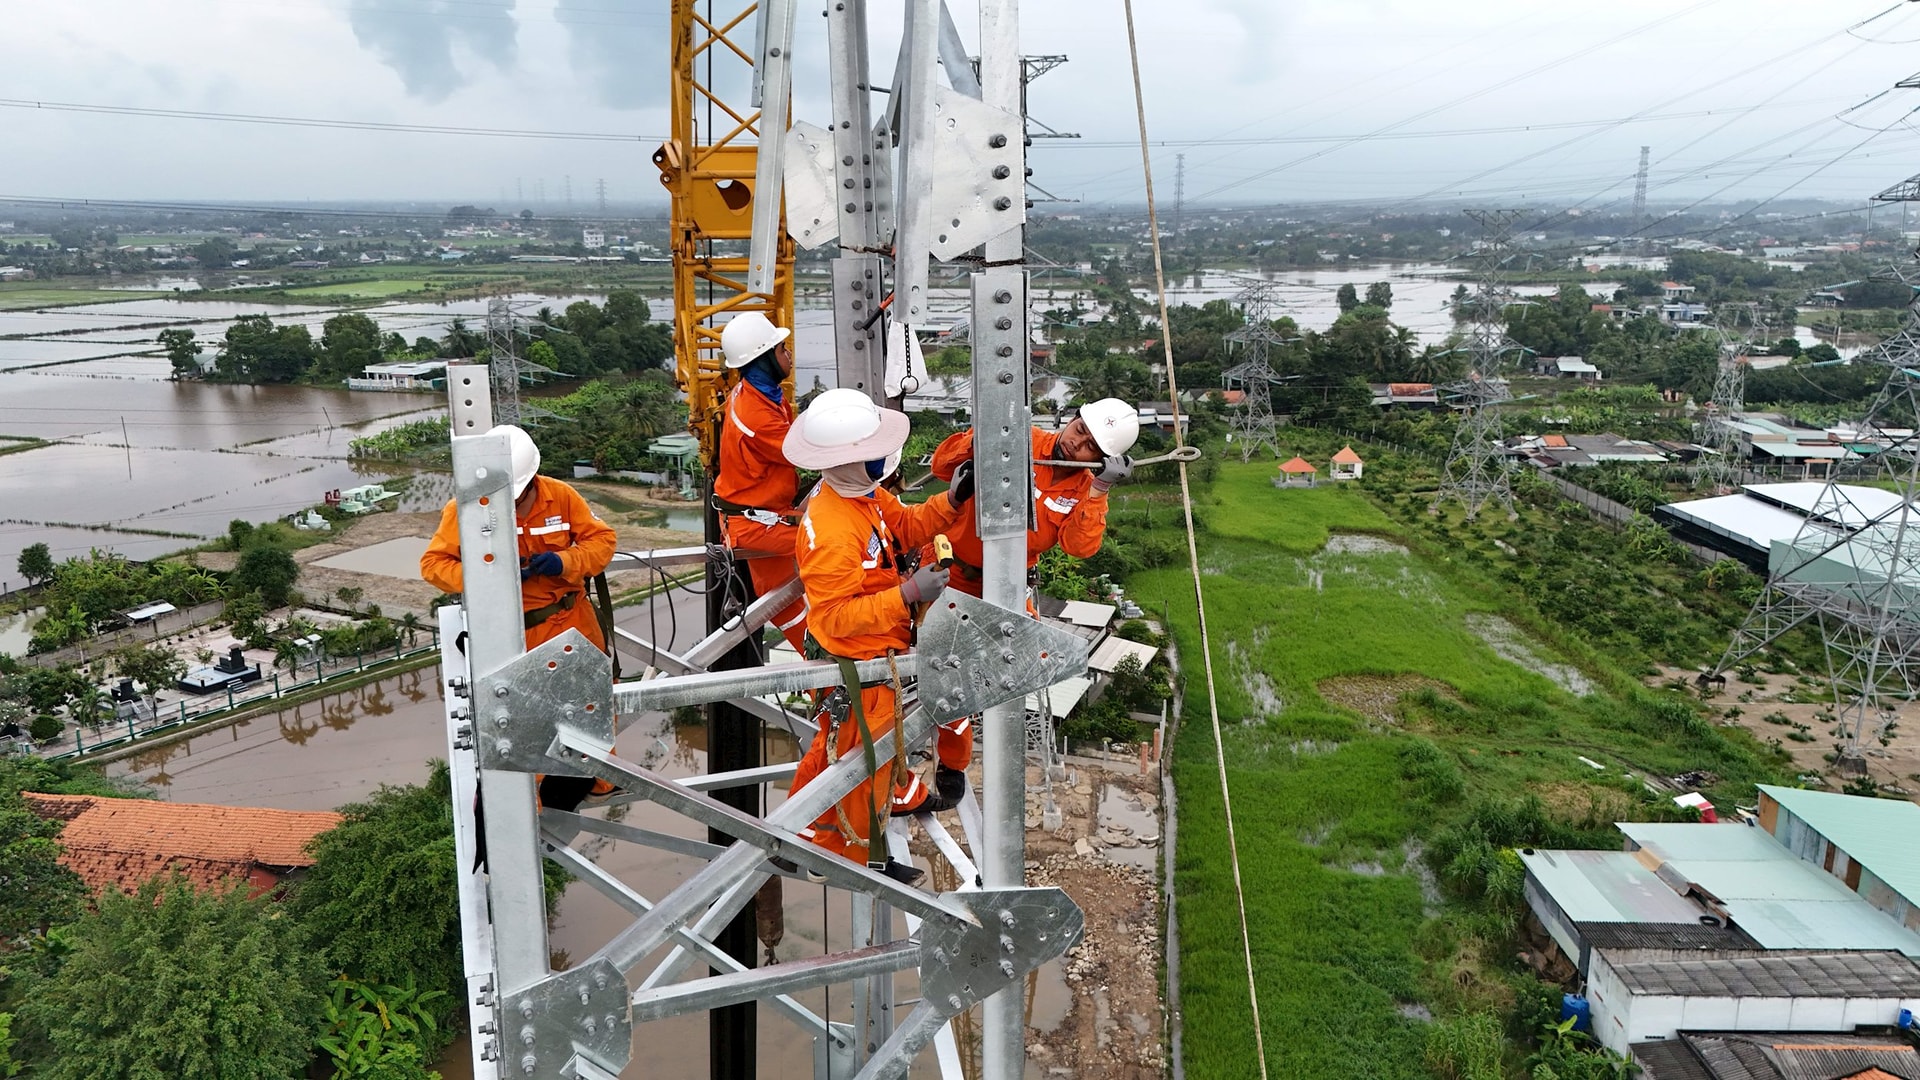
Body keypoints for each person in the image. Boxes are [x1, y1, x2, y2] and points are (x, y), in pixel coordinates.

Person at [780, 389, 976, 884]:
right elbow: (836, 618)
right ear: (849, 461)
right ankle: (850, 853)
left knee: (845, 748)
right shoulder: (832, 529)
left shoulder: (862, 496)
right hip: (856, 660)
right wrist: (907, 592)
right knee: (855, 757)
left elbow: (907, 524)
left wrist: (951, 500)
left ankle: (802, 831)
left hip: (876, 652)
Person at [918, 398, 1139, 800]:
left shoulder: (1085, 488)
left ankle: (953, 762)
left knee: (988, 673)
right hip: (948, 569)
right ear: (1071, 420)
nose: (1078, 445)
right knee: (926, 660)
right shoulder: (1020, 442)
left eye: (1091, 445)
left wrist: (1101, 489)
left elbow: (1079, 546)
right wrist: (983, 438)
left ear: (1103, 457)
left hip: (1005, 586)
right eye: (1079, 431)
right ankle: (903, 739)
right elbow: (940, 465)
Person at [420, 424, 619, 811]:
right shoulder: (465, 508)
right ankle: (528, 804)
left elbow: (602, 541)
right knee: (522, 716)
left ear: (529, 484)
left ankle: (600, 778)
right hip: (511, 632)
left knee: (590, 702)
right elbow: (434, 565)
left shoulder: (560, 497)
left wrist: (564, 561)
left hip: (569, 620)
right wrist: (488, 576)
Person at [713, 311, 811, 652]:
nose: (789, 355)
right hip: (755, 524)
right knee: (834, 539)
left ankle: (829, 674)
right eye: (782, 349)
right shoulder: (757, 417)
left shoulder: (760, 393)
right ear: (764, 358)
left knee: (788, 603)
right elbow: (805, 452)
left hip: (763, 512)